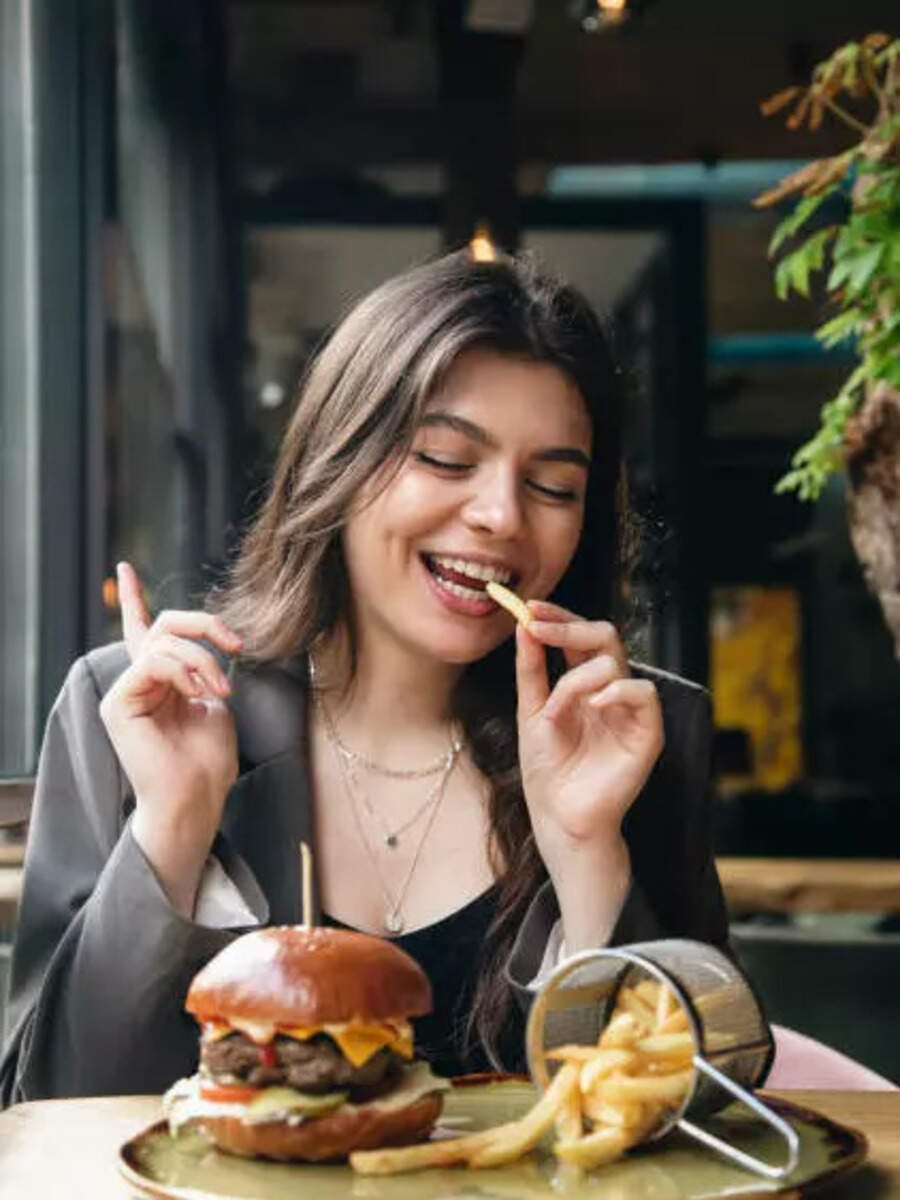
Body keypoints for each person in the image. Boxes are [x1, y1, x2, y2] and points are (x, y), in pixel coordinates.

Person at [0, 250, 728, 1104]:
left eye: (552, 485)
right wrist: (173, 828)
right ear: (338, 460)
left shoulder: (637, 733)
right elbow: (44, 1109)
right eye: (446, 459)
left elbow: (708, 1115)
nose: (501, 515)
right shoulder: (134, 708)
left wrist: (589, 858)